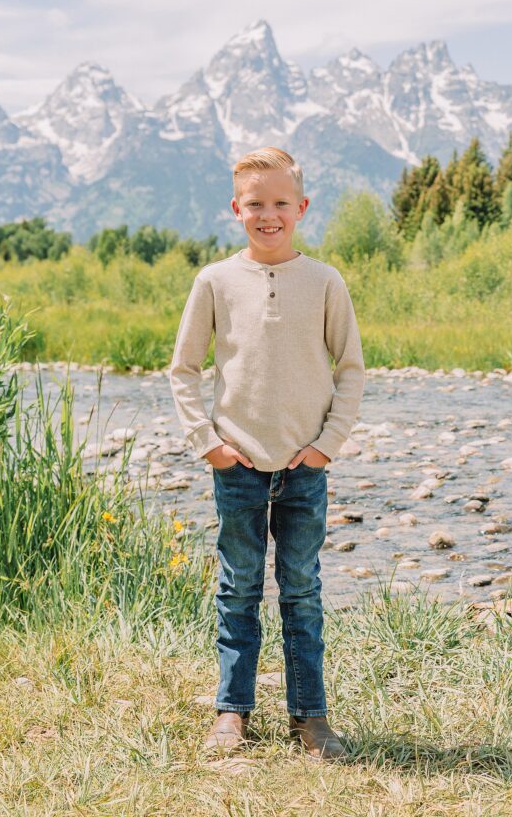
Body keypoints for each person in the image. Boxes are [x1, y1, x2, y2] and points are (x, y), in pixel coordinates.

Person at [169, 146, 365, 761]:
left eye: (281, 202)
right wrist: (209, 443)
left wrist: (327, 446)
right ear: (237, 209)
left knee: (302, 590)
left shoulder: (325, 281)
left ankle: (310, 716)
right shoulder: (215, 281)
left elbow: (351, 370)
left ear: (302, 207)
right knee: (238, 590)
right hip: (239, 467)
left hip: (304, 467)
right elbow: (183, 369)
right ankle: (232, 711)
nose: (268, 214)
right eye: (256, 204)